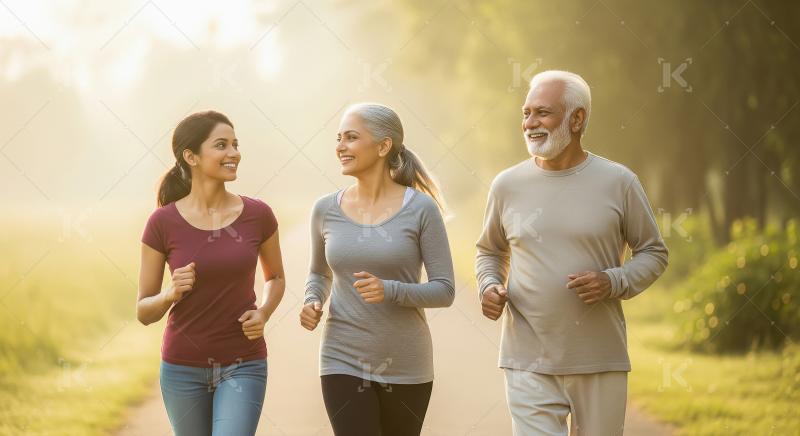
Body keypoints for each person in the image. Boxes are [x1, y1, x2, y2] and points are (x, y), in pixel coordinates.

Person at [476, 70, 669, 436]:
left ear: (577, 119)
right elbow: (490, 250)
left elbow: (654, 252)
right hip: (527, 360)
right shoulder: (507, 185)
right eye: (526, 113)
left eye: (542, 113)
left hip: (600, 359)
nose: (530, 123)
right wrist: (488, 284)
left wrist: (613, 281)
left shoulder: (619, 182)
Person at [300, 103, 455, 436]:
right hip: (341, 358)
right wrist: (312, 299)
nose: (340, 146)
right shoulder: (325, 209)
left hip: (406, 364)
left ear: (384, 146)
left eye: (351, 137)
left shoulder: (421, 209)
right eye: (338, 138)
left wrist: (390, 290)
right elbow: (319, 273)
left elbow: (444, 290)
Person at [136, 110, 285, 436]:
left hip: (243, 363)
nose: (234, 153)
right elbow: (144, 311)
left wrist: (264, 311)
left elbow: (276, 277)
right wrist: (170, 294)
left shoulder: (258, 215)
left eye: (235, 144)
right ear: (190, 156)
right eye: (221, 145)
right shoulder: (162, 223)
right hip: (181, 368)